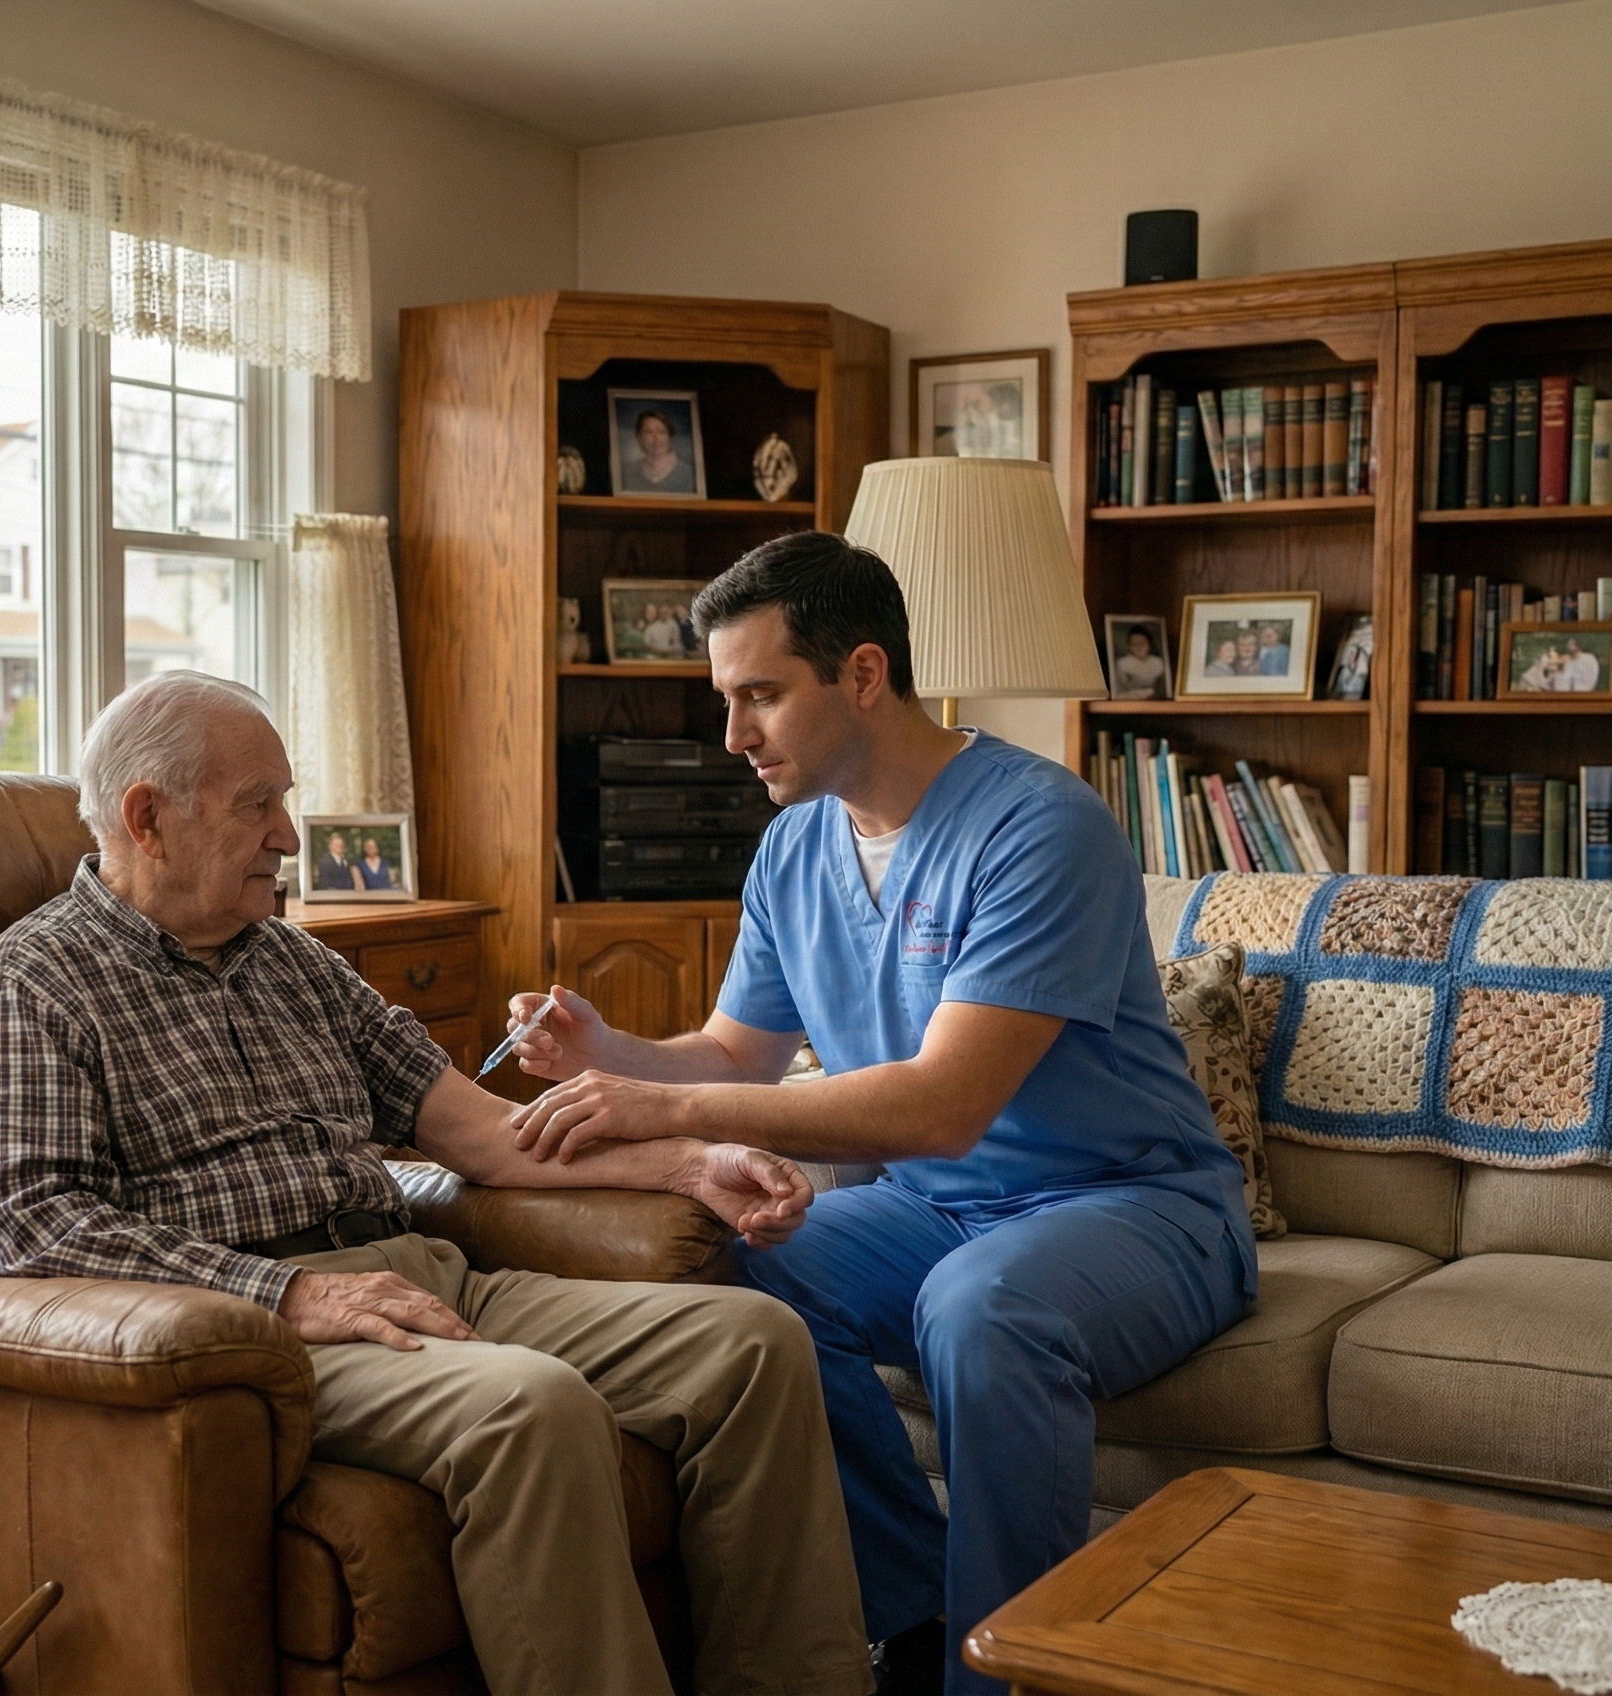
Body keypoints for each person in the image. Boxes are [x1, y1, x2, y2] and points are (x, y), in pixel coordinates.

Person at [0, 671, 872, 1696]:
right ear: (147, 816)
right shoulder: (34, 981)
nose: (290, 837)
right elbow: (31, 1229)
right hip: (254, 1325)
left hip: (422, 1273)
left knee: (754, 1345)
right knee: (531, 1405)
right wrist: (297, 1295)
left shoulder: (293, 963)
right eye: (260, 803)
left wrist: (692, 1165)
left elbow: (486, 1135)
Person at [498, 532, 1254, 1696]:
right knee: (726, 1267)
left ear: (861, 673)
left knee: (982, 1308)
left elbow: (946, 1105)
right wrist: (604, 1051)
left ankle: (997, 1676)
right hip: (928, 1210)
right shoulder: (793, 846)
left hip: (1134, 1209)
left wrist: (660, 1101)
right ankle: (911, 1614)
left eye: (760, 695)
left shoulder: (1038, 826)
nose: (733, 736)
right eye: (725, 699)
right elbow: (733, 1053)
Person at [622, 407, 696, 494]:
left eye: (661, 432)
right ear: (638, 437)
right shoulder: (626, 472)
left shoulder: (689, 473)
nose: (656, 438)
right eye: (648, 432)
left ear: (670, 437)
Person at [1110, 627, 1167, 700]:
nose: (1138, 647)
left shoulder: (1158, 662)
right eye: (1134, 644)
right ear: (1129, 646)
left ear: (1149, 644)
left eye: (1141, 643)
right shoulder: (1122, 664)